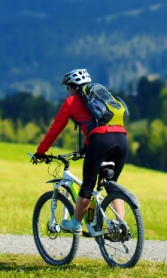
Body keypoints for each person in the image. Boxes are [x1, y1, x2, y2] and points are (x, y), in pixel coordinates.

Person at [31, 69, 129, 233]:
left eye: (68, 88)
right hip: (122, 140)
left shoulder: (70, 102)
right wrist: (85, 147)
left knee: (87, 185)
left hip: (100, 141)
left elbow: (54, 130)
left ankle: (76, 224)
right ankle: (120, 227)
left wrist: (40, 152)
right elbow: (95, 125)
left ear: (72, 87)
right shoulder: (101, 99)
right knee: (112, 186)